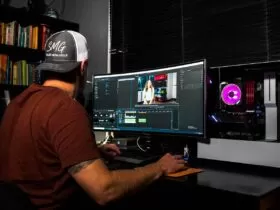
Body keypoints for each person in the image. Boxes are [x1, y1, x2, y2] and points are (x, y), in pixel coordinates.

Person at [0, 30, 185, 210]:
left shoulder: (17, 102)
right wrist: (159, 167)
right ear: (83, 66)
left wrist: (89, 151)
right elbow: (105, 190)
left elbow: (37, 153)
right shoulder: (65, 109)